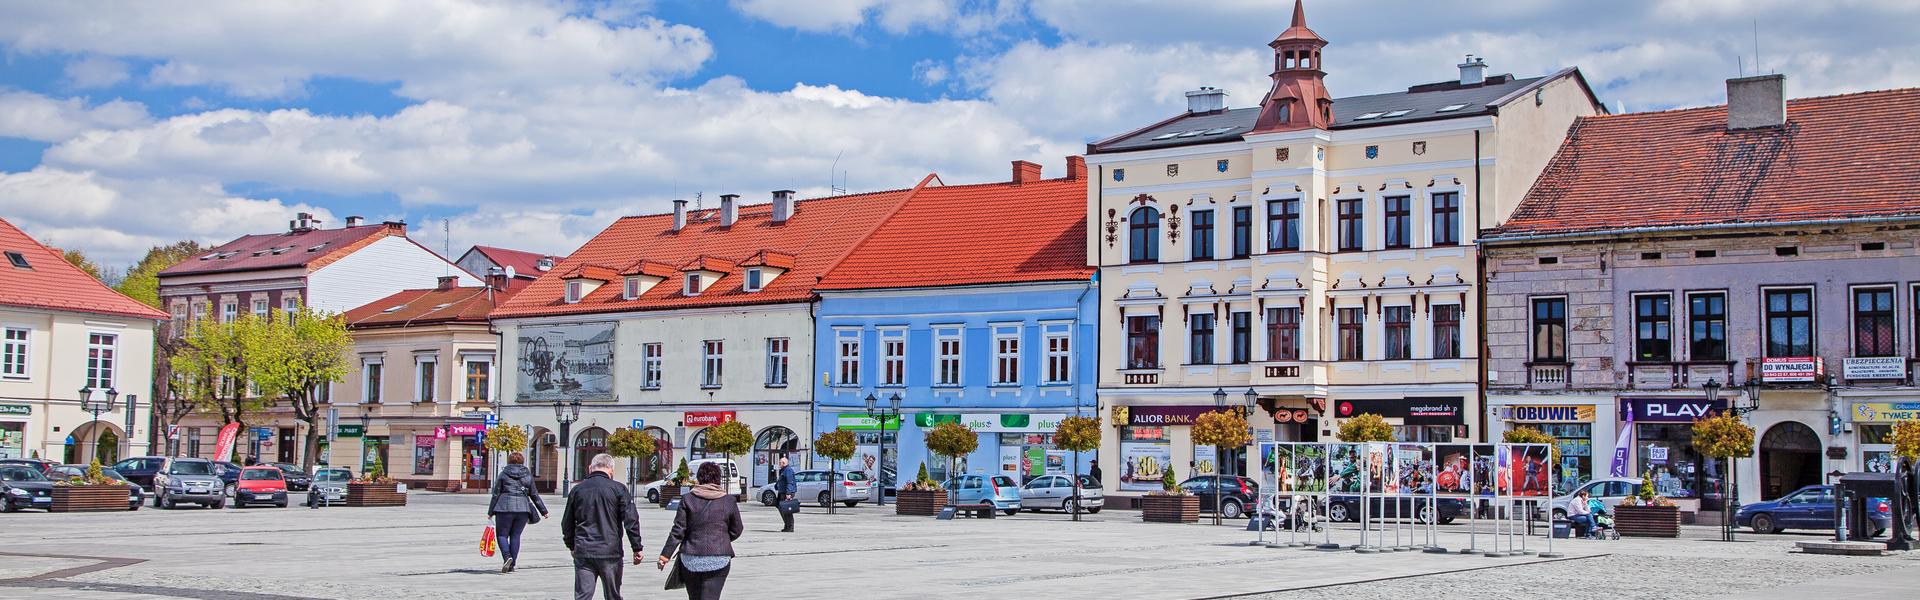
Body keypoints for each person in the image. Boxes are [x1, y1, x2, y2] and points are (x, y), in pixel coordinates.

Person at [562, 453, 644, 600]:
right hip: (610, 551)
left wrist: (571, 545)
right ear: (611, 469)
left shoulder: (577, 490)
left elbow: (567, 522)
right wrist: (637, 547)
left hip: (584, 550)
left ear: (590, 468)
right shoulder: (619, 489)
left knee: (583, 596)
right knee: (612, 595)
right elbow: (631, 520)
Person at [659, 462, 744, 599]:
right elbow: (737, 529)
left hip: (691, 559)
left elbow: (678, 530)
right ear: (718, 479)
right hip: (719, 558)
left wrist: (665, 555)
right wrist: (721, 539)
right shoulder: (729, 501)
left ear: (699, 478)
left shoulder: (688, 499)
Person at [489, 451, 548, 573]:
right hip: (523, 509)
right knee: (516, 536)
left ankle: (507, 557)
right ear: (522, 461)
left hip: (504, 508)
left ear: (509, 461)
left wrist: (490, 511)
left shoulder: (503, 474)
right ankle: (512, 564)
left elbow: (496, 494)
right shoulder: (527, 475)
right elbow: (534, 494)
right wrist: (543, 511)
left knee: (502, 535)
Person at [776, 456, 796, 533]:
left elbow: (790, 482)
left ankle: (790, 527)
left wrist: (788, 493)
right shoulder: (783, 470)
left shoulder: (788, 470)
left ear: (784, 463)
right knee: (782, 509)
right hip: (782, 492)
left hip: (786, 493)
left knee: (787, 510)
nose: (779, 464)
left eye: (780, 462)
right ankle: (786, 525)